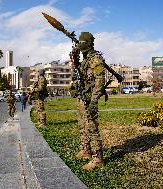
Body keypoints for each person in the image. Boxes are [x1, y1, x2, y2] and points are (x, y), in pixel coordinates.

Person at [70, 32, 105, 170]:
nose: (80, 44)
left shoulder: (95, 59)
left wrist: (95, 100)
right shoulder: (84, 59)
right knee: (82, 125)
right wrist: (74, 53)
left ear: (88, 43)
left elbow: (100, 80)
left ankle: (98, 159)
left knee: (92, 127)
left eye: (82, 42)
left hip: (90, 99)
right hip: (82, 97)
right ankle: (86, 150)